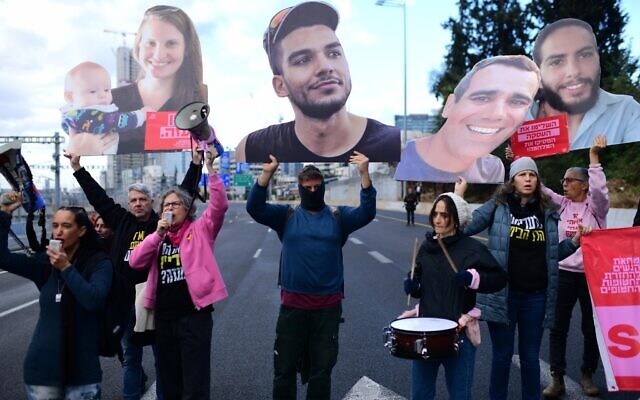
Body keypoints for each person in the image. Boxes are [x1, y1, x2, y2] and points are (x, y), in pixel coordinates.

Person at [66, 150, 202, 400]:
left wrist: (195, 164)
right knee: (130, 358)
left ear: (152, 202)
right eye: (133, 200)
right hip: (126, 300)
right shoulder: (122, 221)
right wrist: (77, 168)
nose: (138, 203)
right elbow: (99, 199)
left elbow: (184, 194)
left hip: (155, 301)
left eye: (142, 199)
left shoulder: (161, 224)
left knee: (163, 357)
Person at [246, 150, 376, 399]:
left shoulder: (339, 217)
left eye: (318, 187)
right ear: (300, 188)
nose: (313, 191)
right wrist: (266, 174)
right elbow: (255, 208)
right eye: (308, 187)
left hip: (327, 309)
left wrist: (364, 174)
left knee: (321, 372)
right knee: (283, 370)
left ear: (323, 186)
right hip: (292, 308)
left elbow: (367, 212)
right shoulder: (287, 215)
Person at [458, 157, 589, 400]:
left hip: (535, 297)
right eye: (522, 174)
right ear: (512, 180)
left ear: (537, 180)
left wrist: (573, 243)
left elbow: (552, 253)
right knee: (502, 355)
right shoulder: (498, 204)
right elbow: (465, 227)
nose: (527, 179)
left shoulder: (548, 210)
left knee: (530, 357)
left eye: (532, 174)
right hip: (503, 294)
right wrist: (458, 198)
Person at [235, 1, 400, 163]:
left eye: (334, 53)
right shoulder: (252, 149)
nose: (326, 67)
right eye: (303, 60)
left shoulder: (394, 144)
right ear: (280, 86)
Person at [128, 150, 228, 400]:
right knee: (169, 379)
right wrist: (157, 235)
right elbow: (135, 261)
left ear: (187, 209)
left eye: (176, 204)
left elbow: (219, 206)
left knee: (194, 382)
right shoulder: (158, 238)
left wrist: (211, 170)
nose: (170, 208)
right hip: (164, 318)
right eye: (166, 205)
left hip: (194, 317)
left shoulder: (200, 230)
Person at [0, 194, 112, 400]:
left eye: (66, 226)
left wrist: (66, 268)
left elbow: (93, 300)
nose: (58, 231)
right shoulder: (45, 263)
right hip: (41, 373)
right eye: (55, 225)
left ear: (82, 231)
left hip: (82, 375)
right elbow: (3, 258)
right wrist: (4, 214)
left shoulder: (99, 263)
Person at [399, 191, 507, 400]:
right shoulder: (426, 247)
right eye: (435, 214)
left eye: (445, 215)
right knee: (420, 394)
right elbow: (419, 277)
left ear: (456, 220)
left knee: (460, 395)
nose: (438, 219)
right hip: (426, 331)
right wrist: (414, 285)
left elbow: (499, 278)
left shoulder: (472, 248)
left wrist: (473, 278)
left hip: (459, 331)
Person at [72, 6, 205, 154]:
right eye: (151, 43)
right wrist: (78, 151)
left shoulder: (197, 99)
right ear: (138, 45)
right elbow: (79, 153)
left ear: (186, 48)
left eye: (171, 43)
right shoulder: (106, 101)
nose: (159, 54)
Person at [395, 55, 540, 183]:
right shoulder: (403, 156)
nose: (497, 114)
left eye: (517, 102)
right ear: (450, 105)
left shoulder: (493, 168)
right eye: (482, 98)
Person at [541, 136, 609, 397]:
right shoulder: (563, 204)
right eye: (564, 181)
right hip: (563, 275)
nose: (565, 184)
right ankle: (556, 378)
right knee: (558, 326)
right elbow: (542, 190)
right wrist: (524, 165)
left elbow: (601, 192)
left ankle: (587, 374)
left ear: (584, 185)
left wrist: (594, 158)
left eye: (570, 180)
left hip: (591, 276)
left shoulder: (597, 208)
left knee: (590, 328)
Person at [529, 18, 640, 150]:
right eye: (557, 62)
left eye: (584, 55)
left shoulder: (627, 112)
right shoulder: (515, 121)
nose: (574, 71)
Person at [61, 61, 153, 155]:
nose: (102, 95)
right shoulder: (83, 115)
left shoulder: (74, 116)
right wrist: (140, 115)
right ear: (70, 97)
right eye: (92, 91)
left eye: (106, 90)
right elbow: (114, 121)